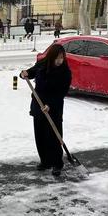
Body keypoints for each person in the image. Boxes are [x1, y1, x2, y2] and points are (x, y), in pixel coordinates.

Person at [20, 44, 72, 177]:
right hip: (38, 103)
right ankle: (45, 161)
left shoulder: (65, 71)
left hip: (53, 107)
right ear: (52, 57)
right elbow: (31, 72)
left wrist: (50, 105)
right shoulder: (43, 64)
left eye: (62, 58)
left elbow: (62, 92)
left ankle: (57, 163)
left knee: (54, 135)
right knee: (40, 134)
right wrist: (24, 73)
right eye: (58, 58)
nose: (60, 61)